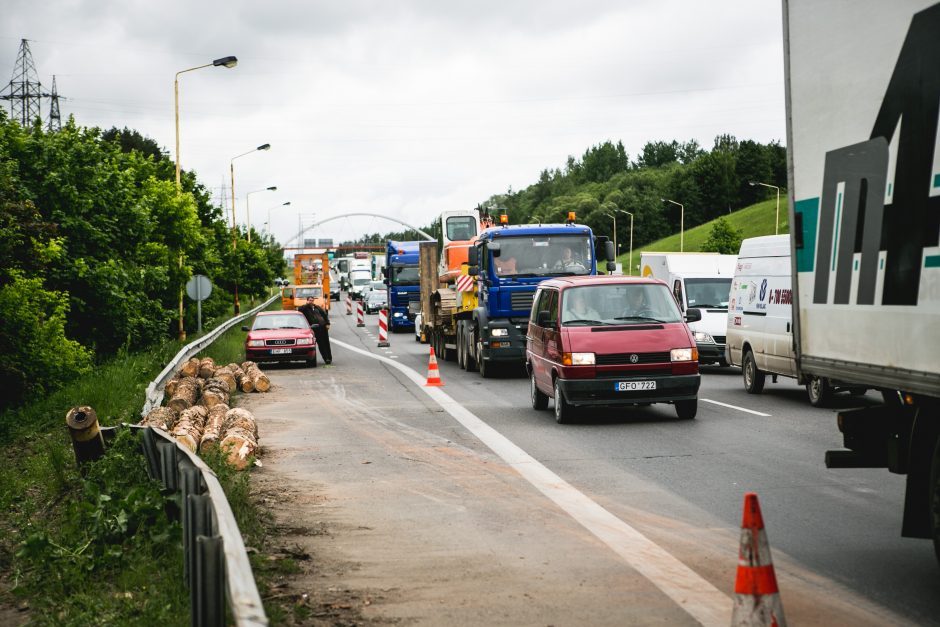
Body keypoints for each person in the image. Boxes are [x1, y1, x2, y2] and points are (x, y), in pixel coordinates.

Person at [298, 297, 333, 364]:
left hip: (322, 327)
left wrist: (327, 323)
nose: (311, 302)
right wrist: (307, 305)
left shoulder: (317, 307)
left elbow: (324, 315)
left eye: (312, 300)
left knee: (326, 344)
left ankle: (329, 358)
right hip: (313, 329)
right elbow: (299, 310)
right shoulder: (304, 308)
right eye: (310, 300)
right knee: (320, 344)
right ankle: (325, 358)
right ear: (307, 300)